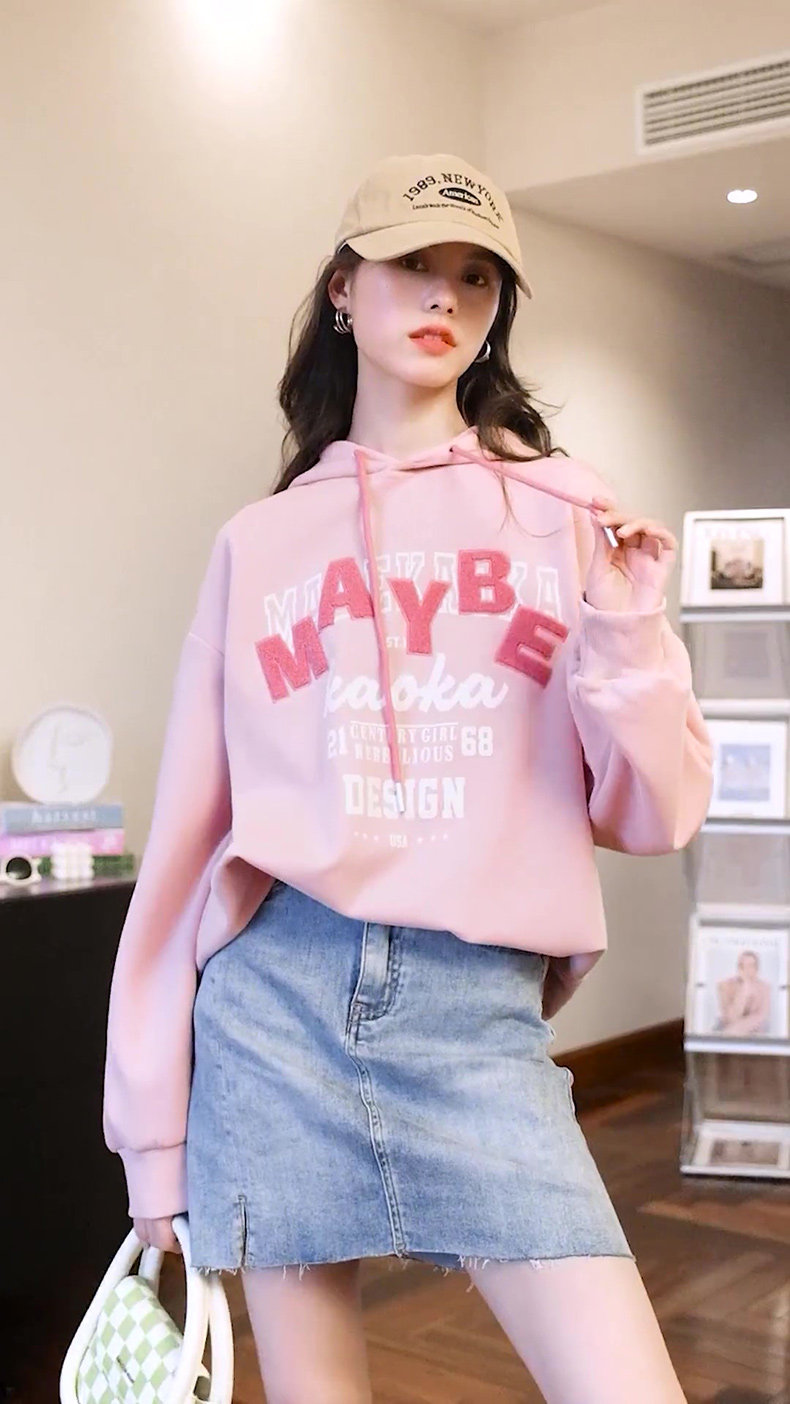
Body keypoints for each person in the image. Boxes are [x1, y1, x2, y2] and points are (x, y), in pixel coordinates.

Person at [102, 152, 714, 1403]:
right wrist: (151, 1130)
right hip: (273, 1010)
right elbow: (188, 848)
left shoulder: (562, 516)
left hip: (475, 1017)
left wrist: (627, 630)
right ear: (342, 287)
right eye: (411, 265)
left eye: (476, 277)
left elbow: (654, 813)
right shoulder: (260, 541)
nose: (444, 296)